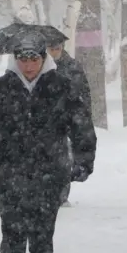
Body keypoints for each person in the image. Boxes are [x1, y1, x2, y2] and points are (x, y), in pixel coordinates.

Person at [0, 31, 97, 253]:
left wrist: (83, 159)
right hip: (11, 178)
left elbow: (81, 124)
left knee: (41, 248)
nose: (28, 65)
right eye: (22, 59)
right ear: (14, 60)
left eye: (34, 58)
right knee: (11, 246)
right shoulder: (0, 89)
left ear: (43, 58)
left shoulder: (61, 87)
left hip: (49, 178)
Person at [46, 40, 92, 206]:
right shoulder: (41, 68)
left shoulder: (72, 67)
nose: (54, 51)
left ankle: (61, 194)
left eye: (56, 48)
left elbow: (83, 93)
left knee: (65, 158)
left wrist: (83, 118)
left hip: (67, 120)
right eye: (51, 48)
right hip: (47, 121)